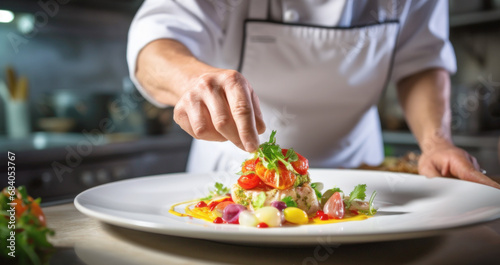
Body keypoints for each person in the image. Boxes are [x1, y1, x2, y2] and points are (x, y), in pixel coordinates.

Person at [127, 0, 500, 189]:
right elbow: (154, 42)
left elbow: (421, 60)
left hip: (363, 177)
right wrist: (194, 77)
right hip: (233, 172)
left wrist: (436, 142)